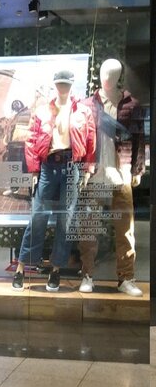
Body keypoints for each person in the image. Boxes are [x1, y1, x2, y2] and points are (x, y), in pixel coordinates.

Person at [12, 69, 95, 292]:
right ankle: (21, 267)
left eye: (66, 83)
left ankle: (56, 270)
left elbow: (90, 140)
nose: (62, 87)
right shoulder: (42, 111)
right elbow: (31, 140)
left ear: (72, 84)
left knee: (66, 220)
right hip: (48, 166)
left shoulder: (83, 111)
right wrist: (34, 170)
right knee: (38, 216)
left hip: (71, 167)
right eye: (59, 83)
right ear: (55, 85)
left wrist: (87, 168)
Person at [77, 58, 145, 296]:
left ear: (119, 77)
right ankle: (87, 275)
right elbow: (80, 139)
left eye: (112, 73)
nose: (107, 77)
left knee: (125, 229)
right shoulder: (87, 105)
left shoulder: (131, 105)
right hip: (94, 175)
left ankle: (126, 278)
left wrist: (137, 170)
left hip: (121, 173)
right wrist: (81, 170)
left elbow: (138, 140)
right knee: (89, 228)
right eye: (105, 73)